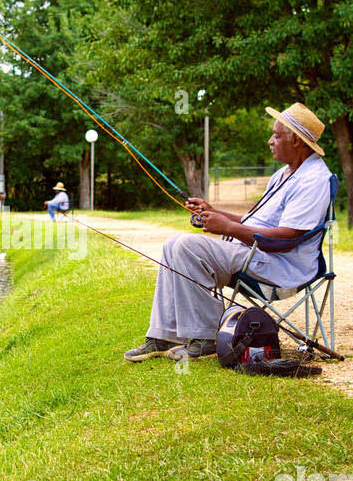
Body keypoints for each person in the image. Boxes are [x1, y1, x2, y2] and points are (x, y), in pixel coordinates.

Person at [124, 102, 333, 363]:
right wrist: (217, 214)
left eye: (277, 135)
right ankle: (164, 334)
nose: (270, 141)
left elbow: (288, 237)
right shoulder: (284, 174)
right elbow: (253, 221)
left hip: (281, 265)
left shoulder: (313, 179)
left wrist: (229, 228)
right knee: (172, 244)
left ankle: (206, 337)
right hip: (255, 253)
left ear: (298, 142)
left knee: (186, 246)